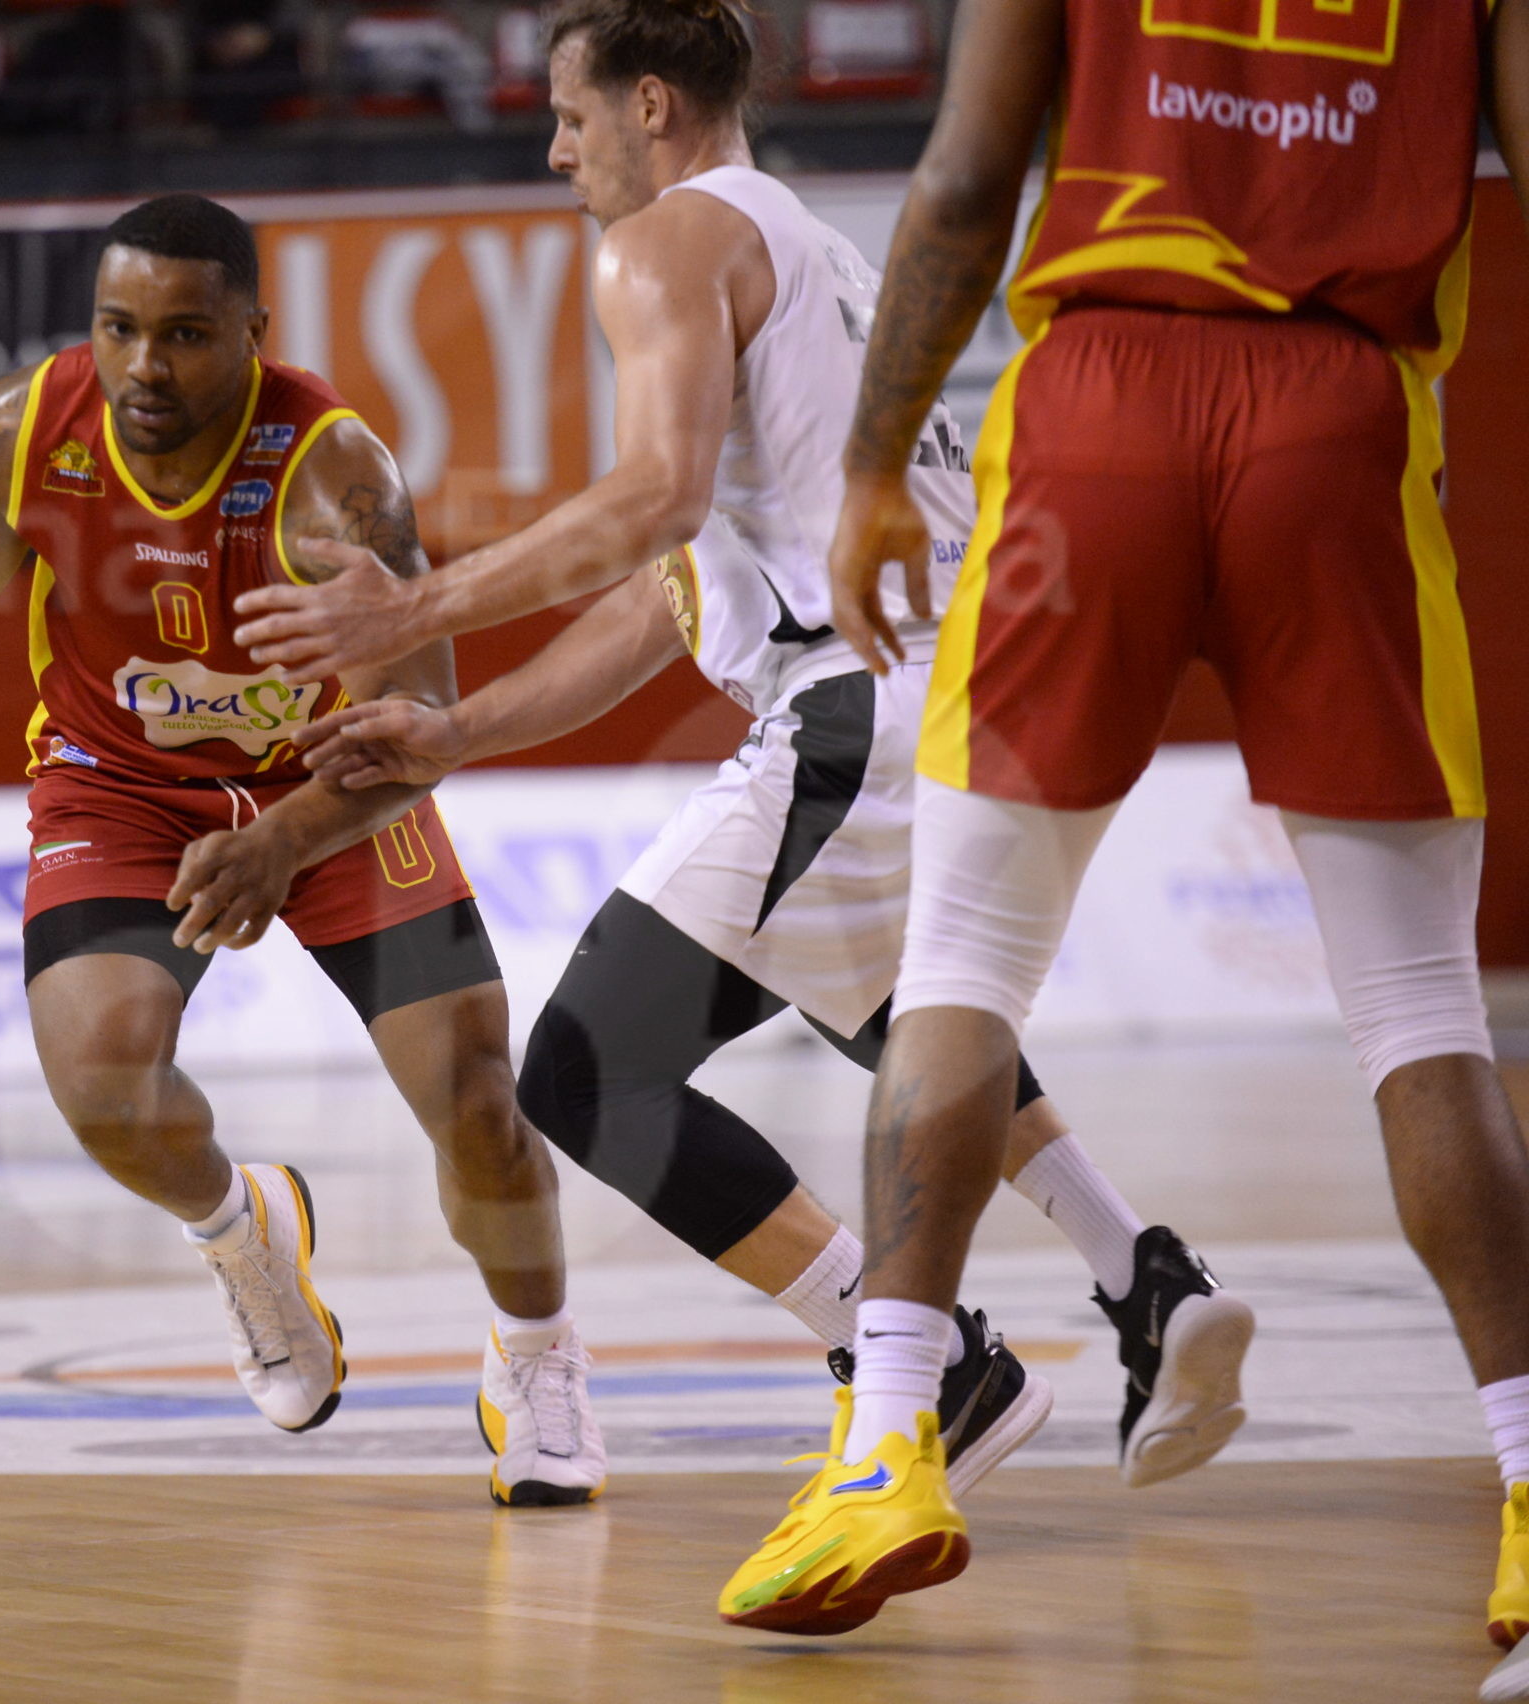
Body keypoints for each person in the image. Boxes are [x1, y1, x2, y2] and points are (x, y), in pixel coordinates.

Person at [236, 0, 1248, 1559]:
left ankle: (924, 1366)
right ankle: (1145, 1278)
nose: (555, 151)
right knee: (898, 1012)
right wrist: (459, 727)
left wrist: (413, 608)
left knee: (585, 1073)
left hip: (860, 712)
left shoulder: (667, 245)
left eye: (572, 116)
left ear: (652, 105)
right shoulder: (817, 252)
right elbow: (669, 596)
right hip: (971, 702)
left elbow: (654, 498)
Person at [0, 194, 606, 1505]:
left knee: (477, 1102)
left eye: (185, 334)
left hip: (335, 783)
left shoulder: (331, 475)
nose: (145, 364)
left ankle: (539, 1356)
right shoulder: (20, 429)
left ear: (253, 332)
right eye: (119, 326)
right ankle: (243, 1236)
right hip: (121, 786)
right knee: (101, 1087)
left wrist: (287, 836)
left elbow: (417, 724)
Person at [765, 0, 1529, 1671]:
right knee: (1421, 1006)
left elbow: (967, 178)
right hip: (1341, 414)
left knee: (962, 965)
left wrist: (876, 464)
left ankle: (886, 1447)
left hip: (1096, 414)